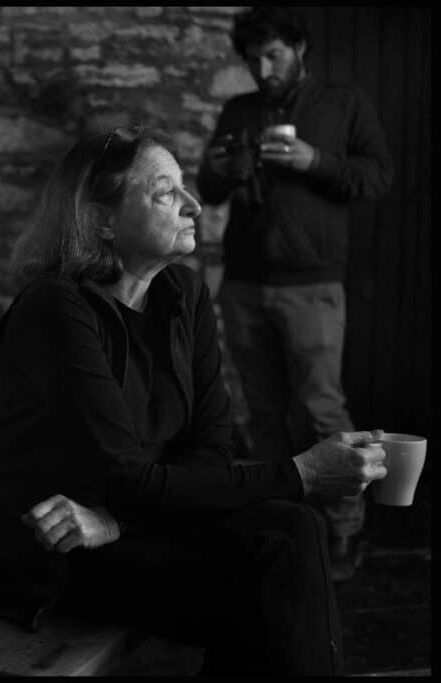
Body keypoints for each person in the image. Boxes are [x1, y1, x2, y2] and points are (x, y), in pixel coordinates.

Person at [0, 126, 388, 675]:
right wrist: (304, 471)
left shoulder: (184, 294)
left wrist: (119, 521)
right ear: (101, 220)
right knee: (270, 574)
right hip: (44, 558)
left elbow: (211, 453)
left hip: (122, 525)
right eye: (164, 192)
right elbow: (128, 479)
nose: (193, 204)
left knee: (292, 533)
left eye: (184, 188)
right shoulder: (56, 309)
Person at [196, 6, 393, 582]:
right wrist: (221, 170)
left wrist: (316, 161)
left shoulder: (344, 103)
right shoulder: (240, 110)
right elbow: (208, 189)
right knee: (261, 413)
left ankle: (343, 530)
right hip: (244, 283)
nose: (262, 68)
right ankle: (279, 526)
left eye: (273, 54)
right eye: (253, 58)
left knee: (322, 409)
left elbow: (377, 175)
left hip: (312, 285)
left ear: (299, 46)